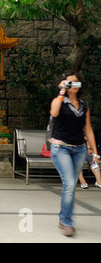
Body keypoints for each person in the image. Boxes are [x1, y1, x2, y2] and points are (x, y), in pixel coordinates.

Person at [49, 70, 99, 236]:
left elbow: (88, 129)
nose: (74, 85)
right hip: (61, 147)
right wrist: (62, 91)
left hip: (79, 148)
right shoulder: (59, 101)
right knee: (70, 184)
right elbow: (54, 113)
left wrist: (95, 153)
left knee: (70, 186)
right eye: (70, 82)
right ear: (64, 84)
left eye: (76, 82)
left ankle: (64, 217)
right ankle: (66, 221)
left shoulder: (84, 105)